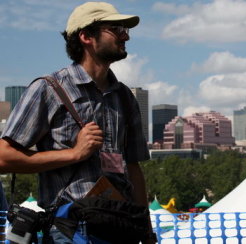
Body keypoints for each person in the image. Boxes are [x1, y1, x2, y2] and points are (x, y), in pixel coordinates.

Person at [0, 2, 156, 243]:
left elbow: (134, 168)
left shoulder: (125, 97)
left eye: (126, 30)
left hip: (121, 227)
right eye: (116, 29)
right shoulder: (48, 89)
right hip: (70, 230)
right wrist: (74, 154)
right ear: (85, 36)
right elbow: (3, 157)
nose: (125, 35)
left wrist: (146, 231)